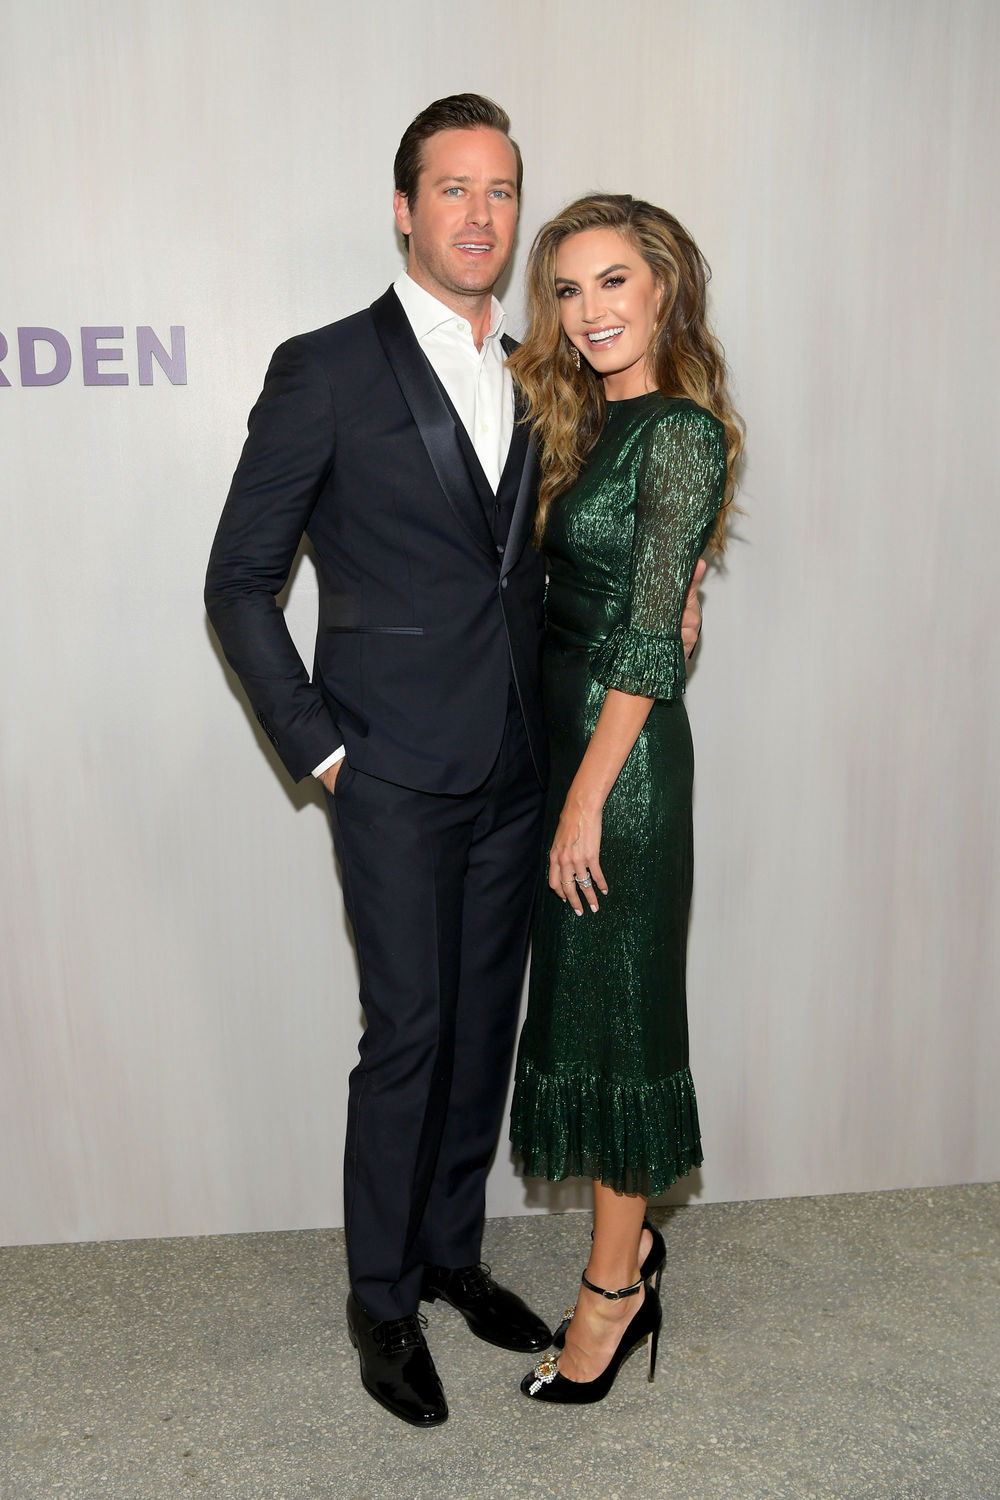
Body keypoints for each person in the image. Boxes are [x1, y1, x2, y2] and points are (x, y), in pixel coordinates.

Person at [206, 96, 702, 1426]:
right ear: (404, 206)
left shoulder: (550, 373)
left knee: (486, 1030)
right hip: (384, 768)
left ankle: (448, 1257)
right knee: (410, 1033)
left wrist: (673, 590)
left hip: (521, 768)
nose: (479, 216)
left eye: (500, 194)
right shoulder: (324, 368)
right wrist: (320, 752)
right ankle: (380, 1300)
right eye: (453, 190)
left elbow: (599, 544)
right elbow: (240, 583)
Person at [506, 194, 743, 1404]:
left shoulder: (683, 434)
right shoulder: (574, 415)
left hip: (622, 771)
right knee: (584, 1018)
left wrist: (588, 800)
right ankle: (630, 1251)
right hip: (563, 753)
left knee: (618, 1030)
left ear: (661, 290)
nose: (590, 310)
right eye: (565, 289)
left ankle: (611, 1298)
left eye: (612, 282)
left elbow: (650, 641)